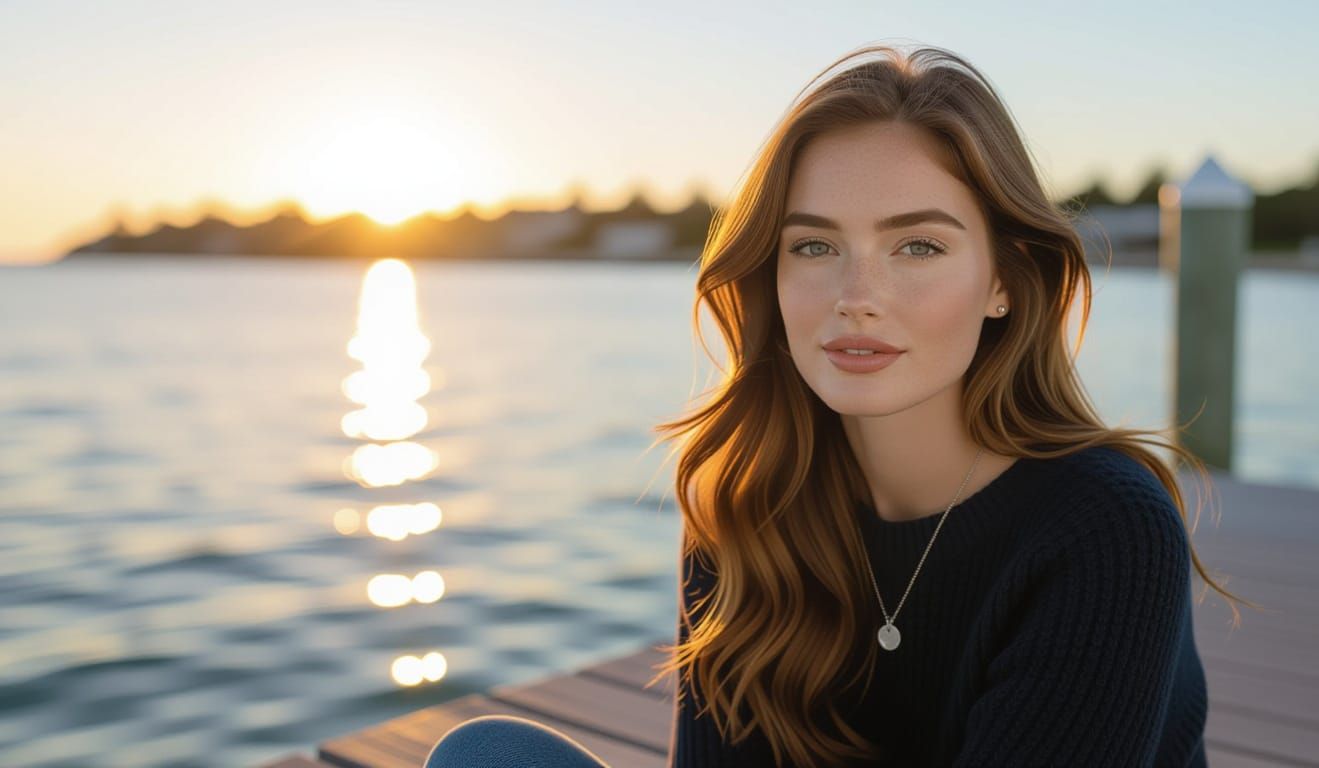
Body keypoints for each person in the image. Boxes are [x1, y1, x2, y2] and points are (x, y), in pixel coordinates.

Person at [423, 41, 1259, 768]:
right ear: (772, 274)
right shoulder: (750, 496)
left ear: (1004, 278)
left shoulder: (1105, 526)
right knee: (487, 756)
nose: (857, 296)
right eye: (815, 245)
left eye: (917, 246)